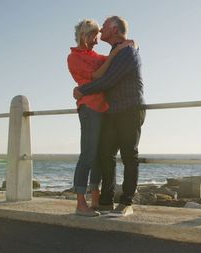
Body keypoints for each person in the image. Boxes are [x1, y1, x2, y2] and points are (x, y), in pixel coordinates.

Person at [73, 16, 145, 217]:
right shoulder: (115, 52)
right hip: (112, 112)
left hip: (130, 109)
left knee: (129, 155)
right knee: (105, 155)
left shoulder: (127, 51)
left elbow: (108, 80)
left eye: (103, 27)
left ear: (113, 29)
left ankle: (126, 203)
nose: (100, 31)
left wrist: (82, 90)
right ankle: (105, 202)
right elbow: (102, 74)